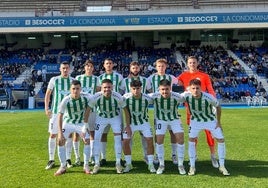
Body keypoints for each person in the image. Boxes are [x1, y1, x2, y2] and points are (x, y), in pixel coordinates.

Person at [182, 79, 230, 176]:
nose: (195, 90)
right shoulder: (186, 95)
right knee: (191, 140)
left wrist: (219, 122)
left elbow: (218, 106)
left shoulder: (208, 97)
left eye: (197, 88)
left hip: (210, 121)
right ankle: (192, 166)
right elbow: (173, 97)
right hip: (195, 121)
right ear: (190, 89)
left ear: (201, 88)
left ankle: (222, 165)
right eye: (193, 88)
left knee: (221, 140)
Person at [177, 56, 218, 168]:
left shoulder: (204, 76)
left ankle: (213, 156)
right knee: (193, 134)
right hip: (190, 109)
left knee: (209, 133)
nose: (192, 64)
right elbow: (175, 84)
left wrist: (214, 102)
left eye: (194, 62)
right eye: (190, 62)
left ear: (197, 63)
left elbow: (210, 89)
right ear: (187, 64)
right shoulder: (183, 76)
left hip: (205, 108)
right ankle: (193, 156)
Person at [54, 80, 92, 176]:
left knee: (87, 140)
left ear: (81, 89)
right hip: (68, 123)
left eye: (77, 89)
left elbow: (94, 101)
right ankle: (63, 166)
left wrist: (86, 126)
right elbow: (60, 116)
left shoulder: (86, 97)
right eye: (73, 89)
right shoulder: (66, 100)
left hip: (80, 123)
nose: (75, 91)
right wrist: (60, 133)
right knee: (60, 141)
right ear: (70, 89)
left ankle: (86, 165)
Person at [149, 79, 185, 175]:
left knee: (180, 138)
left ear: (171, 88)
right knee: (159, 140)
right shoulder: (154, 96)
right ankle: (161, 164)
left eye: (167, 89)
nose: (164, 91)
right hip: (161, 120)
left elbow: (189, 97)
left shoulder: (177, 96)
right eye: (162, 89)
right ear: (159, 89)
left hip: (174, 119)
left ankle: (180, 165)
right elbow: (141, 97)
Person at [146, 58, 179, 165]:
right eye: (159, 66)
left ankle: (174, 154)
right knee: (158, 133)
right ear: (156, 67)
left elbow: (181, 82)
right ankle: (157, 154)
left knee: (173, 132)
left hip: (172, 109)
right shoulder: (151, 78)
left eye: (163, 66)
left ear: (166, 67)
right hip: (158, 111)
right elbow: (150, 91)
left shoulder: (171, 77)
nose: (161, 68)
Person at [44, 61, 75, 170]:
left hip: (68, 113)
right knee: (53, 135)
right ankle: (51, 159)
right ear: (60, 69)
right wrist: (46, 108)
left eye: (67, 68)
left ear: (70, 69)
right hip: (56, 112)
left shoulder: (73, 81)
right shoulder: (54, 80)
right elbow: (48, 94)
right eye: (63, 68)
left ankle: (68, 159)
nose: (65, 70)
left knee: (69, 135)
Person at [90, 79, 124, 174]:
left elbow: (125, 109)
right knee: (96, 139)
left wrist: (127, 125)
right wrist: (85, 124)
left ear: (112, 87)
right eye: (105, 87)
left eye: (109, 87)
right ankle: (97, 163)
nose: (107, 89)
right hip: (101, 118)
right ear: (101, 88)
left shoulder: (117, 96)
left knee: (117, 138)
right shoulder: (96, 96)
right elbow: (88, 108)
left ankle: (118, 162)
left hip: (115, 117)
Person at [122, 80, 156, 173]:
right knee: (125, 141)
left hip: (144, 122)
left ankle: (150, 164)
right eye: (134, 89)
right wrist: (127, 126)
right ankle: (128, 164)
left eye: (138, 88)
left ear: (141, 88)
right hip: (131, 123)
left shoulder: (147, 98)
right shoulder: (125, 98)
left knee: (149, 140)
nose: (136, 91)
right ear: (130, 89)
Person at [119, 61, 149, 163]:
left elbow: (150, 92)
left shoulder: (145, 80)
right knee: (128, 136)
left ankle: (146, 157)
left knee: (145, 136)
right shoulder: (124, 81)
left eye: (137, 68)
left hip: (142, 111)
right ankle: (128, 159)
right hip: (129, 111)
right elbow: (121, 94)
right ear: (130, 69)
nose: (135, 69)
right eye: (133, 68)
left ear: (139, 68)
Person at [97, 58, 124, 166]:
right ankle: (103, 157)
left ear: (113, 65)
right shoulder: (100, 78)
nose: (108, 65)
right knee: (103, 134)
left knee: (118, 134)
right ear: (104, 65)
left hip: (116, 110)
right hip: (102, 111)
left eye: (110, 63)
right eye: (106, 63)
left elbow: (122, 90)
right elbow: (98, 92)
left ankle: (119, 157)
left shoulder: (119, 76)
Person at [75, 60, 100, 165]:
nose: (89, 68)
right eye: (87, 66)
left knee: (92, 133)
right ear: (84, 67)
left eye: (91, 66)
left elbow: (98, 93)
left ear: (93, 68)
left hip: (92, 110)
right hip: (79, 111)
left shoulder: (96, 79)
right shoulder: (78, 78)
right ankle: (77, 157)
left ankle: (92, 156)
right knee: (77, 133)